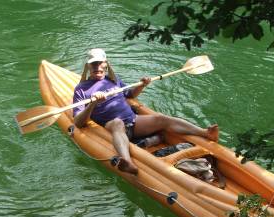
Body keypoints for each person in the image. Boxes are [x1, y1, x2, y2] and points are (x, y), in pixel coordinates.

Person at [73, 48, 219, 175]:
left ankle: (205, 133)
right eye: (93, 64)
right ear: (88, 66)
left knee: (162, 119)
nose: (97, 67)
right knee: (117, 123)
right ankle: (128, 162)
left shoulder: (113, 79)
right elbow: (78, 122)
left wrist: (142, 85)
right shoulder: (81, 89)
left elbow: (129, 94)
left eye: (100, 63)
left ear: (106, 64)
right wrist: (92, 104)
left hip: (134, 122)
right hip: (113, 127)